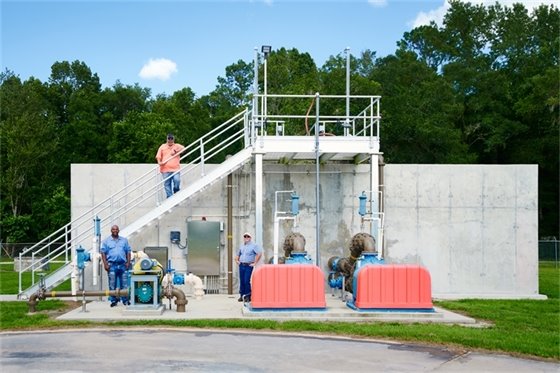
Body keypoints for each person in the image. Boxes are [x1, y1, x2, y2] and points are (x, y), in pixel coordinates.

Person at [101, 225, 132, 307]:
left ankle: (125, 300)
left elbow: (128, 252)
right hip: (112, 266)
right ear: (111, 230)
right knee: (112, 284)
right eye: (113, 229)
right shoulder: (106, 241)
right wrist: (105, 264)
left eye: (116, 229)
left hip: (123, 265)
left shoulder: (124, 240)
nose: (115, 230)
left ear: (119, 230)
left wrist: (128, 263)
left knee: (124, 285)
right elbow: (103, 253)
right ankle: (114, 301)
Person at [155, 133, 185, 198]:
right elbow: (158, 156)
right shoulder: (162, 146)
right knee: (167, 184)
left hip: (175, 169)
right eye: (169, 138)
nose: (170, 140)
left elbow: (184, 149)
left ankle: (176, 190)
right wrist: (159, 162)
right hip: (165, 169)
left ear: (173, 139)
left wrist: (176, 151)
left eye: (171, 138)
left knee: (177, 180)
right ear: (167, 139)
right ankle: (170, 197)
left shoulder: (176, 146)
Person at [235, 232, 262, 302]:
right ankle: (241, 295)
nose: (246, 238)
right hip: (241, 265)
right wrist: (237, 260)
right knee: (242, 281)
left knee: (246, 281)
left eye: (248, 236)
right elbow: (238, 254)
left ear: (250, 238)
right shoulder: (242, 246)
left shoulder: (254, 245)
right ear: (244, 238)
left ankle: (248, 296)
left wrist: (255, 263)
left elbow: (259, 253)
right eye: (245, 236)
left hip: (248, 266)